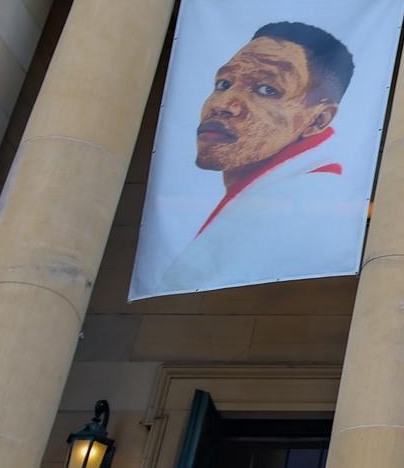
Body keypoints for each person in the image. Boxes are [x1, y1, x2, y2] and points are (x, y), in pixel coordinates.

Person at [154, 21, 360, 292]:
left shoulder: (305, 201)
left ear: (318, 120)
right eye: (224, 83)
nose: (223, 105)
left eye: (266, 89)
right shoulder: (270, 193)